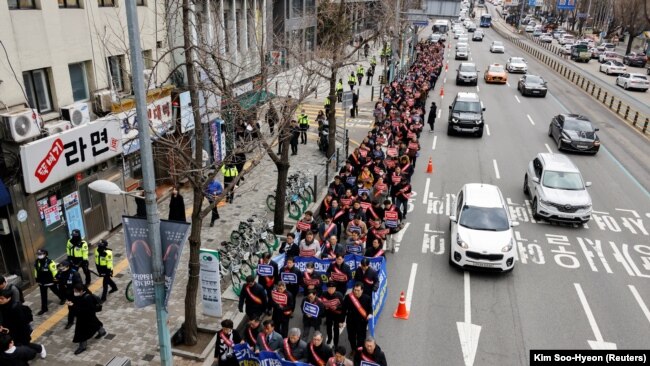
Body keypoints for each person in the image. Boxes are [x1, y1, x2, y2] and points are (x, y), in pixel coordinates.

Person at [0, 290, 46, 360]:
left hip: (20, 331)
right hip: (8, 330)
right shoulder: (2, 306)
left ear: (9, 298)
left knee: (23, 343)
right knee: (13, 344)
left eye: (2, 298)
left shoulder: (16, 307)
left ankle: (39, 348)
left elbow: (23, 323)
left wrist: (24, 334)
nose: (0, 300)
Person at [68, 283, 106, 355]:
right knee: (95, 324)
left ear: (81, 291)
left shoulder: (87, 298)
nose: (75, 293)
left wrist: (73, 306)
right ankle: (102, 331)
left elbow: (84, 309)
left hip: (85, 317)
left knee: (81, 332)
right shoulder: (80, 296)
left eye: (76, 291)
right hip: (86, 316)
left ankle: (82, 346)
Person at [343, 282, 372, 353]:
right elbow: (343, 309)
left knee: (361, 338)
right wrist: (341, 320)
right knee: (351, 337)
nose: (356, 292)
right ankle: (353, 349)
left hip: (361, 322)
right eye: (355, 290)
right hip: (351, 321)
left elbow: (370, 309)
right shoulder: (348, 297)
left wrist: (370, 314)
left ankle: (360, 351)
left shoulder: (367, 298)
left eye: (358, 290)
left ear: (362, 290)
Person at [55, 260, 82, 330]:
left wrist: (74, 291)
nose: (61, 268)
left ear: (68, 266)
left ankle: (70, 321)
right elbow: (56, 278)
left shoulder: (74, 273)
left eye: (63, 267)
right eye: (61, 267)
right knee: (72, 307)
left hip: (74, 294)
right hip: (66, 294)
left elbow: (79, 284)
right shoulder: (61, 272)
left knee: (71, 308)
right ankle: (74, 316)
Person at [33, 249, 60, 315]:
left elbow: (54, 272)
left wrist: (56, 279)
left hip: (50, 281)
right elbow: (36, 270)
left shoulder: (50, 262)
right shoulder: (37, 262)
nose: (39, 256)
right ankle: (44, 309)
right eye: (38, 254)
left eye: (41, 254)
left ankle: (62, 298)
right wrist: (36, 278)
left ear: (45, 254)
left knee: (56, 291)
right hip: (41, 282)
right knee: (43, 296)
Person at [320, 281, 344, 348]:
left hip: (337, 315)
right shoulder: (324, 294)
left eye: (332, 288)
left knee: (336, 329)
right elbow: (321, 303)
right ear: (327, 288)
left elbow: (343, 307)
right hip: (329, 314)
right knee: (328, 327)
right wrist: (325, 307)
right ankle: (329, 338)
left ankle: (336, 343)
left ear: (335, 288)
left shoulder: (339, 295)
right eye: (329, 288)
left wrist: (337, 307)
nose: (330, 290)